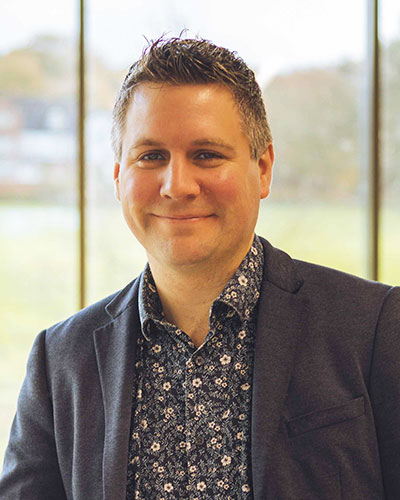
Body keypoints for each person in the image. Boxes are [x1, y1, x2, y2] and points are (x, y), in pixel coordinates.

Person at [0, 36, 399, 500]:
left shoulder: (375, 327)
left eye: (206, 155)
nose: (177, 185)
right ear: (119, 177)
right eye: (151, 156)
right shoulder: (60, 359)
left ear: (263, 168)